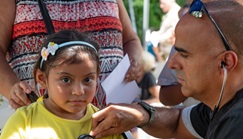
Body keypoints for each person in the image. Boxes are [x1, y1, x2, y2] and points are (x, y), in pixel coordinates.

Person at [89, 1, 243, 138]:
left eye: (184, 54)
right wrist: (140, 114)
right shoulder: (221, 104)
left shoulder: (238, 121)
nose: (171, 64)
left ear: (226, 61)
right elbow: (177, 123)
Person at [0, 0, 142, 131]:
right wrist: (14, 88)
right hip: (40, 124)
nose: (78, 91)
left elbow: (130, 39)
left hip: (109, 123)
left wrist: (135, 60)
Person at [0, 29, 126, 139]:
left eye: (87, 80)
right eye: (66, 79)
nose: (79, 91)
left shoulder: (104, 125)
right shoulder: (23, 122)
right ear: (42, 78)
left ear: (97, 75)